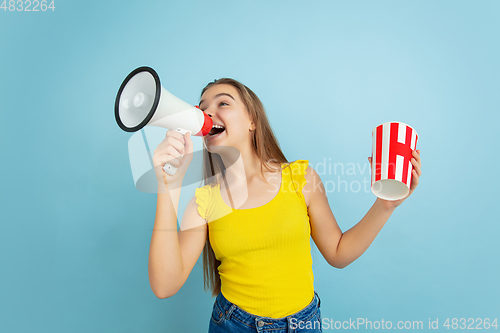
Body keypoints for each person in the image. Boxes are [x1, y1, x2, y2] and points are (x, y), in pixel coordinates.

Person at [148, 78, 422, 333]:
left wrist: (385, 206)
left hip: (303, 324)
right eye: (202, 108)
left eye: (223, 103)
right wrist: (166, 185)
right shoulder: (204, 201)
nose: (208, 114)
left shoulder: (301, 179)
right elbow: (164, 286)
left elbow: (338, 253)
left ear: (252, 120)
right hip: (233, 324)